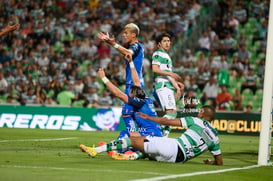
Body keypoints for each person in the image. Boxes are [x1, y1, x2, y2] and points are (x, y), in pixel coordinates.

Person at [80, 105, 223, 165]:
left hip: (174, 147)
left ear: (202, 114)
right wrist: (210, 163)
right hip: (178, 160)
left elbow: (167, 121)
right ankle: (130, 156)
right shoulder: (215, 137)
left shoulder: (196, 120)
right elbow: (219, 162)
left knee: (133, 140)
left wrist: (149, 118)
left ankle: (95, 151)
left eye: (200, 111)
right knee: (150, 149)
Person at [97, 23, 145, 132]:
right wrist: (111, 43)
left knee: (127, 113)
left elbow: (128, 53)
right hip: (134, 83)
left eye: (126, 33)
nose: (123, 35)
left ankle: (131, 140)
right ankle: (135, 140)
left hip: (134, 84)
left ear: (133, 35)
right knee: (132, 114)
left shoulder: (136, 46)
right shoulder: (135, 46)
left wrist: (113, 44)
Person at [152, 33, 184, 137]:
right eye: (164, 41)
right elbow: (155, 69)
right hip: (163, 86)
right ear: (159, 44)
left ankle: (163, 138)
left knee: (172, 115)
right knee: (172, 112)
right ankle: (153, 131)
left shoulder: (167, 56)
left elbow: (169, 75)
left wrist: (177, 87)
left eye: (168, 41)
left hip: (168, 86)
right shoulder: (158, 53)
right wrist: (171, 74)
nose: (167, 43)